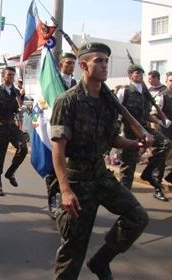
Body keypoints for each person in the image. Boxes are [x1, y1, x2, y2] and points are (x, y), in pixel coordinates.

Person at [50, 42, 151, 280]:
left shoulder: (108, 100)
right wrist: (65, 190)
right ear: (84, 66)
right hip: (77, 178)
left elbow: (112, 138)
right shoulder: (68, 100)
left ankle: (101, 261)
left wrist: (134, 143)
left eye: (106, 60)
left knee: (137, 217)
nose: (105, 65)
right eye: (99, 61)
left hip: (101, 175)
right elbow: (58, 148)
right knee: (73, 250)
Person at [117, 64, 171, 201]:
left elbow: (146, 113)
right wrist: (118, 132)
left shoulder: (144, 92)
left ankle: (147, 173)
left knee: (165, 144)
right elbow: (117, 112)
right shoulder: (125, 91)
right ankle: (125, 201)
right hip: (130, 131)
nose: (140, 76)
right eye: (137, 73)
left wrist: (160, 121)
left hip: (145, 128)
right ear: (130, 76)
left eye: (141, 74)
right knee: (128, 169)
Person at [0, 66, 28, 196]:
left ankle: (10, 173)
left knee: (23, 148)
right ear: (3, 76)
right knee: (0, 155)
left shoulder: (16, 92)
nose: (11, 77)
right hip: (1, 125)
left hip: (12, 125)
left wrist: (21, 110)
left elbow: (18, 109)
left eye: (12, 75)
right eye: (8, 74)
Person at [47, 52, 78, 219]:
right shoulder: (53, 81)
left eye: (73, 63)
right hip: (56, 127)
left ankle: (66, 199)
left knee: (70, 169)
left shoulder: (74, 83)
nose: (71, 66)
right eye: (68, 63)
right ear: (60, 65)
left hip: (71, 130)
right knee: (54, 169)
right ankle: (52, 201)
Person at [153, 71, 172, 184]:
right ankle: (157, 184)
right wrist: (156, 134)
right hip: (165, 132)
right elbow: (154, 115)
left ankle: (170, 177)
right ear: (166, 82)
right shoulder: (162, 96)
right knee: (162, 159)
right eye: (171, 80)